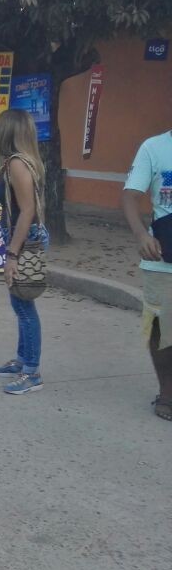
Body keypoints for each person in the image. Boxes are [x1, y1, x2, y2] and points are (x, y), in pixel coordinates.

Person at [0, 109, 48, 394]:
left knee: (24, 307)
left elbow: (27, 211)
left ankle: (31, 372)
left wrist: (12, 254)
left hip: (22, 240)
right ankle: (23, 360)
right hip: (20, 237)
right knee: (20, 303)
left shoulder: (17, 163)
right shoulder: (20, 161)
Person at [122, 129, 172, 421]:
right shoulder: (153, 148)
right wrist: (141, 235)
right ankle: (167, 391)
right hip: (162, 257)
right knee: (160, 328)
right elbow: (130, 196)